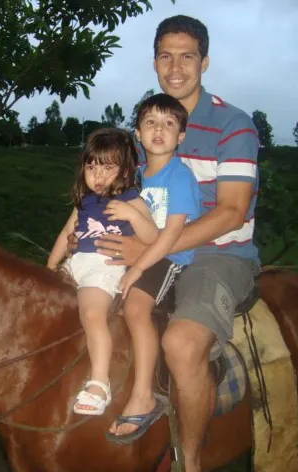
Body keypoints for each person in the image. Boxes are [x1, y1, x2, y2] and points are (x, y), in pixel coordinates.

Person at [95, 15, 261, 472]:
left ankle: (191, 462)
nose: (176, 65)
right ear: (154, 62)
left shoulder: (234, 125)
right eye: (166, 55)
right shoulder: (147, 127)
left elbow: (230, 211)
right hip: (150, 246)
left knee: (184, 343)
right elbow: (115, 191)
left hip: (218, 253)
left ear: (204, 62)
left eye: (187, 55)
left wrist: (151, 252)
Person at [104, 93, 201, 444]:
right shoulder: (135, 176)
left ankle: (144, 396)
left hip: (170, 259)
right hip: (137, 253)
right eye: (150, 123)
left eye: (169, 124)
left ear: (181, 136)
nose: (159, 130)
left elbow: (172, 237)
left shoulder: (179, 178)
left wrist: (136, 269)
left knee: (135, 307)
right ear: (138, 133)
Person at [47, 127, 158, 416]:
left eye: (107, 167)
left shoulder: (132, 200)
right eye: (91, 165)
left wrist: (133, 215)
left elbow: (153, 237)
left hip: (104, 268)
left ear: (125, 172)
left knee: (93, 314)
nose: (97, 175)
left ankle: (99, 383)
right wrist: (49, 267)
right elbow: (66, 233)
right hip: (74, 265)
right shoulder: (84, 200)